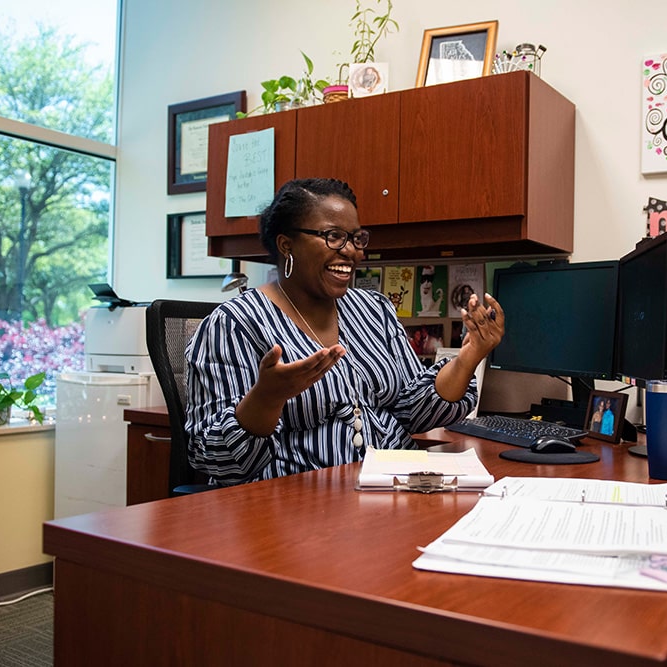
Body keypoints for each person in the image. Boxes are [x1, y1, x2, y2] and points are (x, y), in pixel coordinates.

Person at [184, 178, 505, 485]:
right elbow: (216, 460)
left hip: (393, 488)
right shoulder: (235, 324)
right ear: (286, 245)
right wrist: (266, 399)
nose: (351, 251)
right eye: (333, 236)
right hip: (291, 505)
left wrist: (467, 358)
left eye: (356, 238)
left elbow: (414, 412)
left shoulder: (374, 310)